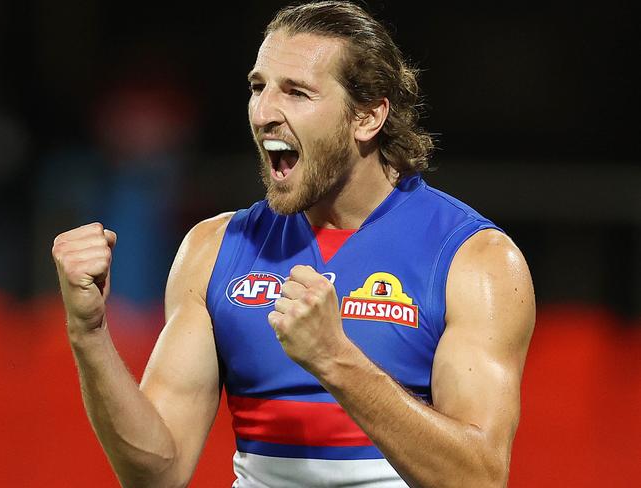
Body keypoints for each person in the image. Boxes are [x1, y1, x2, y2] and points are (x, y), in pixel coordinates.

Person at [52, 1, 535, 486]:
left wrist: (334, 359)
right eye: (258, 87)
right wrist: (89, 333)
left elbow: (480, 478)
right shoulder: (214, 249)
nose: (263, 113)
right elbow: (156, 473)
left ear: (367, 116)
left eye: (297, 92)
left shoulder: (473, 260)